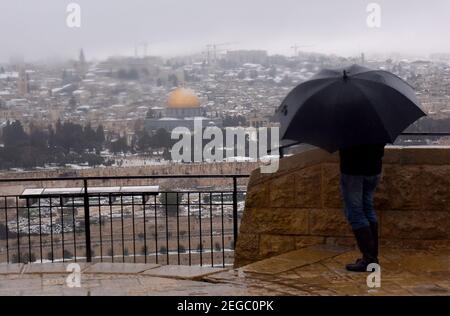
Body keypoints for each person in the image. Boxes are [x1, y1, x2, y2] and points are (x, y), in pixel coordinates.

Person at [339, 143, 386, 272]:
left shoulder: (347, 124)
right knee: (368, 209)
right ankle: (372, 258)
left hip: (353, 169)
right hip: (374, 168)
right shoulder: (377, 124)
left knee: (356, 213)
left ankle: (369, 259)